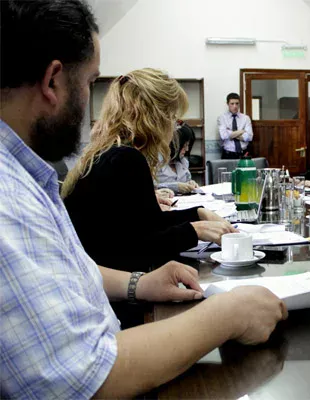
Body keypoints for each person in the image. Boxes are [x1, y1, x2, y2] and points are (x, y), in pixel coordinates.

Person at [0, 1, 286, 398]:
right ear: (52, 81)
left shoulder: (29, 177)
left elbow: (65, 266)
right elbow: (79, 378)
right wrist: (227, 313)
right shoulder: (9, 195)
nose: (90, 103)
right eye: (89, 82)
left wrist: (139, 284)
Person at [62, 68, 238, 272]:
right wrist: (195, 230)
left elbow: (148, 224)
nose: (173, 129)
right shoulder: (126, 159)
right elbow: (141, 247)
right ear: (155, 117)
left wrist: (199, 214)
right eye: (173, 118)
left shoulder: (109, 152)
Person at [156, 122, 198, 194]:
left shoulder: (183, 162)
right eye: (184, 146)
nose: (187, 149)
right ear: (173, 145)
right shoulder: (155, 161)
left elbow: (187, 181)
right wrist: (176, 187)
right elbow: (150, 188)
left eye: (188, 145)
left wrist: (191, 183)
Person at [217, 92, 253, 159]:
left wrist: (231, 134)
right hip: (228, 154)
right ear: (227, 104)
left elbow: (249, 137)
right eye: (232, 104)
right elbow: (224, 136)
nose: (235, 106)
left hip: (244, 153)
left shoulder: (246, 118)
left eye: (237, 103)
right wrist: (242, 131)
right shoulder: (222, 118)